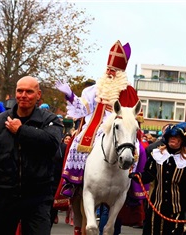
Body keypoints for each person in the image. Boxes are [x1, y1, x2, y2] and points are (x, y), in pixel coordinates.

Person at [55, 40, 143, 235]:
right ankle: (72, 181)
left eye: (115, 69)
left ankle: (134, 185)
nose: (110, 72)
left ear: (121, 72)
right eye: (109, 68)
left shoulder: (128, 92)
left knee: (140, 149)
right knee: (76, 142)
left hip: (119, 127)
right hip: (94, 127)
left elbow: (136, 116)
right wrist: (70, 95)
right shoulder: (93, 89)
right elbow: (83, 108)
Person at [0, 76, 63, 235]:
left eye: (29, 91)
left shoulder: (49, 120)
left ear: (38, 95)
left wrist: (22, 131)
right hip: (4, 196)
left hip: (37, 197)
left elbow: (52, 143)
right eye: (20, 91)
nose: (23, 95)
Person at [129, 122, 186, 235]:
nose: (173, 139)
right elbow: (149, 175)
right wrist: (137, 176)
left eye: (176, 137)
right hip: (157, 209)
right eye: (171, 137)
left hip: (179, 210)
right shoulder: (157, 155)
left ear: (182, 141)